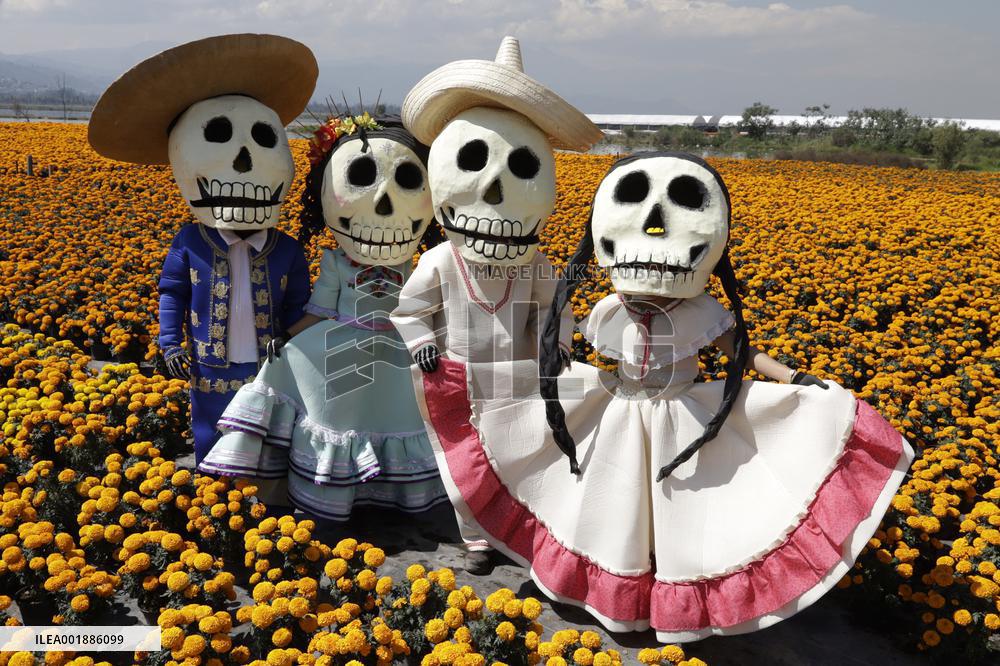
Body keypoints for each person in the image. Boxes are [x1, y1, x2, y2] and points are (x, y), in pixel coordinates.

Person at [415, 152, 915, 641]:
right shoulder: (611, 308)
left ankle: (669, 593)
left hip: (682, 416)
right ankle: (620, 592)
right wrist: (539, 361)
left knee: (680, 511)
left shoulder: (701, 309)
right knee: (617, 506)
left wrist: (794, 377)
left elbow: (742, 352)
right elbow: (561, 327)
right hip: (620, 412)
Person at [391, 36, 602, 573]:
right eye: (474, 163)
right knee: (468, 460)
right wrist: (421, 343)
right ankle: (476, 541)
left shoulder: (534, 264)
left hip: (517, 375)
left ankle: (518, 531)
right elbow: (409, 310)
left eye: (522, 168)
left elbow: (553, 310)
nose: (493, 188)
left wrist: (557, 346)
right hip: (459, 375)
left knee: (519, 456)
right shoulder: (440, 260)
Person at [198, 113, 449, 520]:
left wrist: (437, 342)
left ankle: (389, 497)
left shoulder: (412, 266)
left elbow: (422, 309)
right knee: (339, 418)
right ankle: (335, 496)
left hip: (396, 351)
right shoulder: (336, 263)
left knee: (396, 419)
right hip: (341, 346)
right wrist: (289, 338)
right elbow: (320, 309)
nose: (383, 206)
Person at [87, 34, 317, 464]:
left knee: (268, 434)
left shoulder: (286, 249)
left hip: (269, 363)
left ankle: (262, 484)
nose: (244, 163)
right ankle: (216, 483)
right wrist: (170, 343)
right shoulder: (191, 242)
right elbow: (172, 292)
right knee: (211, 429)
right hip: (210, 363)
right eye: (218, 138)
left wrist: (293, 343)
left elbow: (298, 303)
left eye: (264, 141)